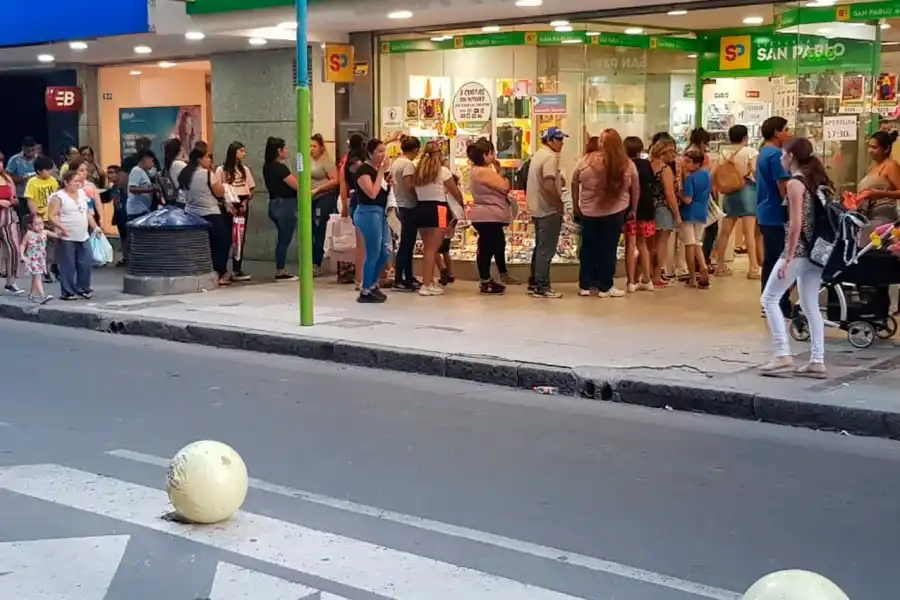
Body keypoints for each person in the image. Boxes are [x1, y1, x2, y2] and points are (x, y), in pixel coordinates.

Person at [760, 137, 828, 378]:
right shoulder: (815, 181)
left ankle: (782, 354)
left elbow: (796, 222)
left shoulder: (794, 184)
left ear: (791, 157)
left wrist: (788, 257)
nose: (781, 159)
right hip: (816, 253)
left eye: (783, 155)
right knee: (810, 305)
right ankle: (817, 360)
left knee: (769, 298)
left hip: (798, 250)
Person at [572, 128, 638, 298]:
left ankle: (585, 285)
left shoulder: (586, 161)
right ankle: (605, 286)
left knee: (588, 248)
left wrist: (576, 204)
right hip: (615, 212)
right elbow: (635, 187)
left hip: (588, 212)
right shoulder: (626, 164)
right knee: (608, 249)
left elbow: (574, 182)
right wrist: (633, 209)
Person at [412, 140, 463, 296]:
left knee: (428, 249)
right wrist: (462, 205)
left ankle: (430, 281)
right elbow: (454, 191)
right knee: (432, 249)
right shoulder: (443, 172)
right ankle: (426, 284)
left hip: (420, 208)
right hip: (439, 209)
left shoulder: (418, 172)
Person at [468, 138, 515, 294]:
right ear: (487, 154)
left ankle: (489, 278)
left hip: (485, 215)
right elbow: (505, 187)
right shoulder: (484, 171)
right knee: (488, 248)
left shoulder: (476, 170)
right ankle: (486, 280)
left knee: (490, 245)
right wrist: (503, 176)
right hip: (489, 215)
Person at [756, 116, 793, 318]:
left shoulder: (764, 152)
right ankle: (777, 302)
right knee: (779, 259)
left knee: (771, 259)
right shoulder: (775, 155)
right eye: (786, 129)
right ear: (777, 132)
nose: (789, 133)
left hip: (766, 212)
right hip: (776, 213)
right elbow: (783, 186)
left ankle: (769, 300)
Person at [179, 145, 231, 286]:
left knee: (201, 246)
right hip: (211, 212)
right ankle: (219, 272)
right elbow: (219, 192)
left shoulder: (185, 174)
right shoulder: (207, 174)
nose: (209, 160)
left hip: (192, 214)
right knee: (221, 244)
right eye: (207, 157)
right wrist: (223, 185)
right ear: (199, 159)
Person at [713, 124, 760, 278]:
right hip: (747, 190)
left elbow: (715, 173)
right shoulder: (750, 151)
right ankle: (753, 267)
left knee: (725, 231)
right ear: (745, 137)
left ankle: (720, 265)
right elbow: (754, 169)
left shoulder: (724, 154)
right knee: (749, 232)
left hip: (730, 192)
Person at [526, 127, 567, 299]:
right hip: (547, 209)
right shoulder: (550, 157)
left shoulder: (539, 155)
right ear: (549, 140)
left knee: (540, 247)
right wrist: (558, 203)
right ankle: (542, 286)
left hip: (537, 208)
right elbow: (549, 184)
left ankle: (535, 281)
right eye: (558, 139)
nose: (561, 143)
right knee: (546, 250)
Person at [48, 170, 99, 300]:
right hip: (67, 236)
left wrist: (95, 227)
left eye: (79, 181)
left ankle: (83, 288)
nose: (78, 184)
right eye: (75, 181)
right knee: (68, 264)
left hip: (83, 234)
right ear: (66, 182)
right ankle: (68, 291)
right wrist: (61, 228)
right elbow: (52, 215)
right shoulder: (58, 197)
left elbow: (86, 212)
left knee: (85, 262)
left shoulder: (82, 194)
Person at [352, 138, 391, 303]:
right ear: (370, 153)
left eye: (384, 151)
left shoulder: (375, 170)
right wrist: (381, 172)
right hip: (368, 213)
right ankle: (366, 288)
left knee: (385, 251)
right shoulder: (363, 170)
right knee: (373, 251)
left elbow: (380, 191)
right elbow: (372, 193)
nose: (383, 155)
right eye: (379, 152)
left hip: (380, 212)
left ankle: (373, 283)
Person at [217, 141, 256, 281]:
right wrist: (226, 203)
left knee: (239, 237)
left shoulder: (244, 170)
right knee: (227, 237)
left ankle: (237, 268)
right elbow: (219, 189)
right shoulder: (221, 170)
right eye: (241, 151)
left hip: (243, 205)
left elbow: (251, 188)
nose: (243, 154)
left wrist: (247, 199)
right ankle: (222, 268)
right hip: (228, 205)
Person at [263, 137, 299, 281]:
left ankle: (281, 267)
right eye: (285, 148)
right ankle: (281, 270)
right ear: (279, 150)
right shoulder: (280, 168)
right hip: (285, 205)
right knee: (284, 239)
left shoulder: (267, 167)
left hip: (274, 203)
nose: (287, 151)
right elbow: (296, 185)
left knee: (282, 238)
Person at [623, 136, 656, 292]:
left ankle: (631, 281)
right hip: (646, 208)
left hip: (629, 209)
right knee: (643, 244)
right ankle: (647, 279)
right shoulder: (646, 164)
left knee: (630, 244)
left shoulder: (625, 165)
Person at [390, 136, 421, 291]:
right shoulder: (408, 164)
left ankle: (408, 276)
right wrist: (418, 196)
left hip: (398, 203)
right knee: (407, 244)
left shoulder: (396, 162)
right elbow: (409, 185)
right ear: (416, 150)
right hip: (408, 205)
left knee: (406, 243)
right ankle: (400, 278)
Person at [649, 139, 681, 287]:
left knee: (651, 244)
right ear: (663, 154)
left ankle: (647, 273)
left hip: (650, 208)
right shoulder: (665, 169)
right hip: (663, 209)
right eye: (672, 152)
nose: (674, 155)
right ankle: (656, 275)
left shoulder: (648, 166)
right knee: (662, 243)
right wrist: (677, 214)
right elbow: (669, 193)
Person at [24, 156, 60, 283]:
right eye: (47, 170)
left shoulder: (53, 181)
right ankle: (45, 270)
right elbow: (30, 199)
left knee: (55, 242)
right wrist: (35, 216)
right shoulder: (32, 182)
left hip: (53, 217)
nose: (50, 172)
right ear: (39, 171)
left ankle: (53, 266)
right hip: (41, 218)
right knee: (42, 245)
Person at [680, 149, 712, 289]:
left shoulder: (690, 178)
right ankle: (703, 267)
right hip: (702, 212)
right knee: (697, 243)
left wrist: (678, 194)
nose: (685, 164)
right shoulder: (706, 175)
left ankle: (692, 277)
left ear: (697, 164)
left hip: (689, 213)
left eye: (688, 162)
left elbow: (687, 199)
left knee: (689, 245)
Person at [856, 131, 900, 229]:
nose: (870, 150)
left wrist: (879, 193)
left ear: (886, 149)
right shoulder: (872, 167)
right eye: (869, 147)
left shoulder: (891, 166)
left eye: (874, 148)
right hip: (868, 216)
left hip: (883, 217)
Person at [310, 134, 339, 277]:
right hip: (310, 197)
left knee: (319, 228)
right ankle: (309, 261)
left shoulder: (326, 161)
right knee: (309, 230)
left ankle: (316, 262)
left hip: (323, 196)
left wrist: (318, 189)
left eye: (314, 146)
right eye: (310, 146)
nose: (311, 149)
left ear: (321, 147)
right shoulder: (306, 159)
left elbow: (335, 180)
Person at [340, 134, 367, 287]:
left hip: (353, 199)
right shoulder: (359, 163)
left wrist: (344, 203)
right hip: (362, 201)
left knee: (361, 242)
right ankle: (362, 278)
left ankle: (360, 278)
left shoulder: (347, 161)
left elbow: (343, 182)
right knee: (364, 243)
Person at [0, 153, 24, 295]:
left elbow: (16, 199)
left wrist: (13, 201)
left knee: (14, 249)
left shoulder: (7, 178)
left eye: (1, 161)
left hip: (8, 217)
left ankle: (11, 281)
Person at [19, 215, 55, 304]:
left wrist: (63, 232)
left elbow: (56, 235)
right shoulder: (29, 234)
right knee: (37, 277)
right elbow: (23, 244)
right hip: (33, 259)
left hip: (41, 259)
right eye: (36, 224)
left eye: (41, 223)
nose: (40, 226)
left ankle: (31, 296)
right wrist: (22, 255)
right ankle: (42, 296)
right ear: (30, 225)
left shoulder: (45, 232)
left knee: (36, 278)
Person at [7, 137, 37, 224]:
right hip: (21, 195)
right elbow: (7, 177)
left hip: (35, 195)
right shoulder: (15, 160)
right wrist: (22, 178)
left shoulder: (38, 159)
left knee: (35, 219)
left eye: (32, 149)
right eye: (28, 149)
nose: (30, 151)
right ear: (23, 148)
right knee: (23, 220)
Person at [126, 150, 158, 220]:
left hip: (143, 210)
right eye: (151, 161)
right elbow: (132, 189)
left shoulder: (142, 172)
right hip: (137, 211)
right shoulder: (137, 170)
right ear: (145, 159)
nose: (153, 164)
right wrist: (151, 189)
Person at [162, 138, 187, 207]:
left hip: (180, 199)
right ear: (180, 149)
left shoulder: (172, 163)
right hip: (184, 200)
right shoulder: (179, 164)